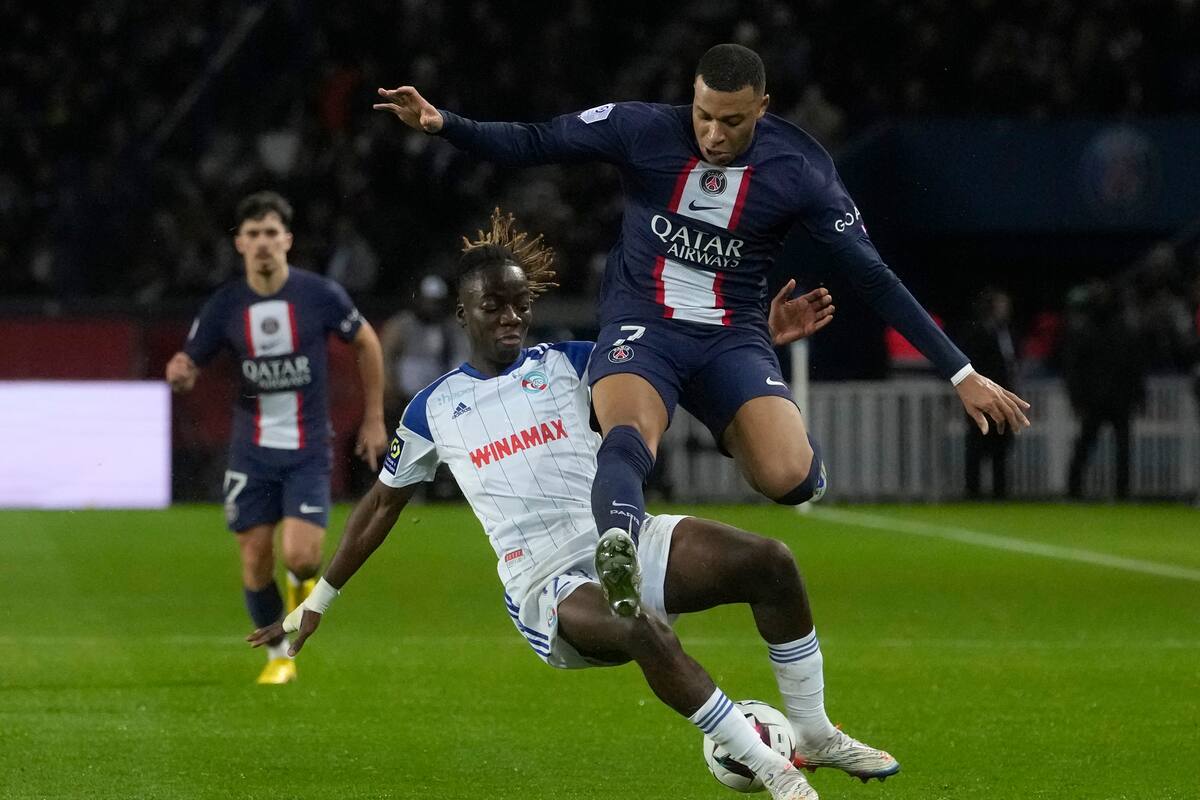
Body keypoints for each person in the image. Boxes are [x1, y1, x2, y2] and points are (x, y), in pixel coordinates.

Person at [248, 211, 894, 800]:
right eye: (492, 305)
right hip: (548, 584)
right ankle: (773, 769)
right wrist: (317, 604)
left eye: (519, 304)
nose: (509, 317)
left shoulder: (573, 362)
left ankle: (811, 733)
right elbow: (381, 507)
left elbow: (682, 375)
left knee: (770, 562)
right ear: (463, 315)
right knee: (641, 625)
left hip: (625, 538)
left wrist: (756, 339)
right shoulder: (433, 408)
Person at [374, 43, 1030, 615]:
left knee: (788, 479)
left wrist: (961, 372)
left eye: (733, 121)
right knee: (628, 438)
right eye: (704, 115)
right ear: (691, 98)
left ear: (764, 107)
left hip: (731, 338)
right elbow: (540, 140)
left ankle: (751, 433)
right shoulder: (641, 130)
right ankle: (619, 553)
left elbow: (872, 274)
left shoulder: (799, 170)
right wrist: (442, 123)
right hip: (642, 326)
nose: (714, 134)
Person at [166, 191, 389, 684]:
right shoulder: (226, 304)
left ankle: (293, 619)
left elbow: (366, 341)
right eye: (253, 234)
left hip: (309, 448)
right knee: (254, 557)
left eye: (271, 233)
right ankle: (278, 657)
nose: (263, 243)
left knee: (303, 555)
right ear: (240, 244)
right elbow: (190, 362)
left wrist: (374, 416)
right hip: (251, 453)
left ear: (287, 240)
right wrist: (181, 372)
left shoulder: (320, 295)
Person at [1061, 281, 1144, 500]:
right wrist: (1077, 398)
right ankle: (1076, 489)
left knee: (1117, 447)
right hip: (1099, 399)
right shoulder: (1095, 329)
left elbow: (1134, 365)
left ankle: (1119, 491)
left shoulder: (1114, 328)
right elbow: (1075, 368)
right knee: (1091, 445)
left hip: (1111, 398)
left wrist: (1137, 394)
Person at [961, 288, 1019, 499]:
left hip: (1003, 395)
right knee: (978, 442)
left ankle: (1000, 491)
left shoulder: (1007, 332)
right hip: (982, 395)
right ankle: (973, 491)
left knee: (1001, 443)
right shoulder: (978, 332)